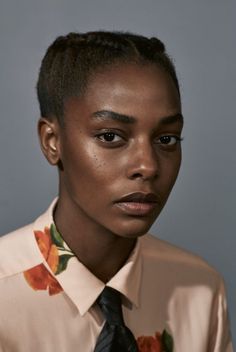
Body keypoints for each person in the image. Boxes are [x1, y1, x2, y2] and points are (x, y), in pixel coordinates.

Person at [0, 31, 233, 352]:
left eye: (167, 139)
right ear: (52, 141)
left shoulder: (201, 290)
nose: (148, 166)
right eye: (111, 136)